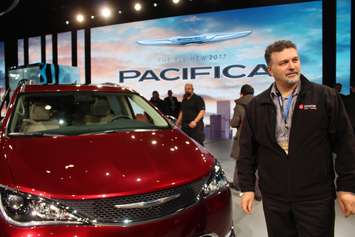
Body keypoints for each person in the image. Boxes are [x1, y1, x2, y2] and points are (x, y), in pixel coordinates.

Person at [238, 40, 355, 237]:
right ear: (270, 70)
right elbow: (247, 151)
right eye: (284, 62)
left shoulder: (325, 97)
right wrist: (248, 188)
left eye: (295, 60)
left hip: (316, 198)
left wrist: (347, 187)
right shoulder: (257, 105)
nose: (292, 66)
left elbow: (346, 144)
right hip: (274, 199)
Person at [230, 84, 261, 200]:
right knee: (256, 164)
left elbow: (234, 123)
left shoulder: (239, 106)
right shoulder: (259, 103)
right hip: (257, 138)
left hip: (243, 138)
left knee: (240, 162)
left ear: (242, 93)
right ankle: (258, 193)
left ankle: (237, 184)